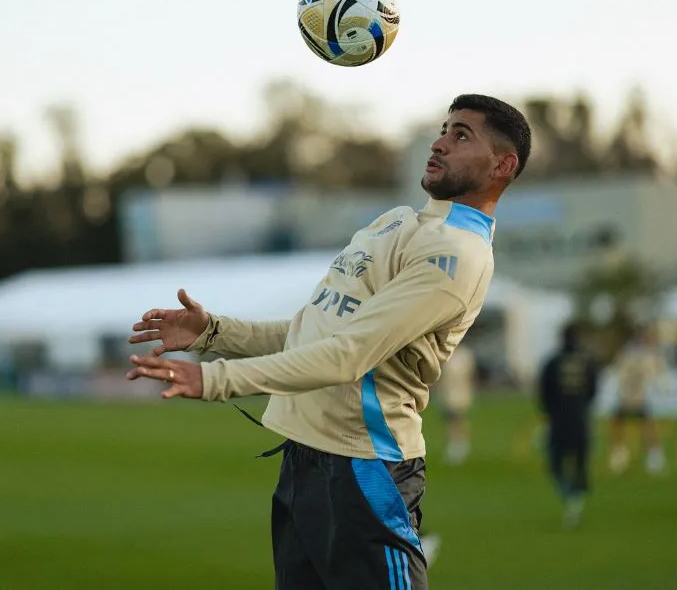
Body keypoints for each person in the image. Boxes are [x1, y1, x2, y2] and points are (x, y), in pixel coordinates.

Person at [126, 94, 531, 590]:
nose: (439, 142)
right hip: (304, 460)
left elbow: (348, 355)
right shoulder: (396, 222)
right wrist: (214, 332)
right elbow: (311, 330)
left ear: (502, 165)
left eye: (461, 135)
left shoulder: (459, 256)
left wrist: (215, 379)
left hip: (366, 467)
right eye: (444, 128)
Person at [538, 322, 601, 529]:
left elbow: (544, 393)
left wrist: (549, 413)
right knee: (580, 463)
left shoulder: (552, 362)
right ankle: (577, 496)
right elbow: (594, 390)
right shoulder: (588, 362)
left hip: (559, 421)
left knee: (556, 464)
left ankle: (570, 496)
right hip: (581, 419)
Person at [608, 324, 668, 475]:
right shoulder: (634, 353)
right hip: (628, 396)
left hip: (634, 396)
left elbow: (655, 372)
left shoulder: (636, 352)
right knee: (623, 425)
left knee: (644, 425)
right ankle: (622, 455)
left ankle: (652, 457)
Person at [435, 344, 477, 465]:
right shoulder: (445, 353)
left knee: (459, 419)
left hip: (461, 394)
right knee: (450, 420)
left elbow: (470, 375)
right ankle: (454, 445)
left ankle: (460, 445)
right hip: (448, 394)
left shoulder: (465, 355)